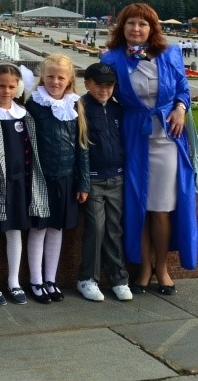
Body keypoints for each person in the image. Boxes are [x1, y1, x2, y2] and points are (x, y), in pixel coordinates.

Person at [101, 3, 196, 294]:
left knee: (162, 207)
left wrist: (180, 108)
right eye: (131, 23)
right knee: (137, 205)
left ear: (152, 28)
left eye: (143, 24)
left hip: (167, 138)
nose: (136, 29)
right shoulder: (111, 58)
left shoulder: (171, 54)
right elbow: (102, 93)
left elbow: (182, 88)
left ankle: (163, 269)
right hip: (133, 137)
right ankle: (143, 268)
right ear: (122, 27)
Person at [0, 62, 48, 307]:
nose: (6, 90)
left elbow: (32, 149)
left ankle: (14, 281)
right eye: (1, 86)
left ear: (19, 88)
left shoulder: (24, 114)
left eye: (11, 86)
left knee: (16, 230)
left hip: (19, 183)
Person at [24, 53, 90, 304]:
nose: (55, 81)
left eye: (60, 77)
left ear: (69, 79)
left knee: (56, 229)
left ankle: (51, 279)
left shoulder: (75, 105)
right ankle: (36, 280)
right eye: (50, 76)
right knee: (38, 228)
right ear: (43, 77)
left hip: (66, 178)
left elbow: (82, 147)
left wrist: (83, 182)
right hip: (40, 178)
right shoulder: (35, 104)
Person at [76, 62, 132, 302]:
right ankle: (87, 278)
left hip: (116, 177)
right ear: (87, 83)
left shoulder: (118, 109)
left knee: (113, 229)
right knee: (96, 229)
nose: (104, 90)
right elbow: (81, 147)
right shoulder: (80, 107)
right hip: (94, 180)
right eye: (99, 84)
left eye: (109, 85)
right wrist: (83, 182)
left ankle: (118, 278)